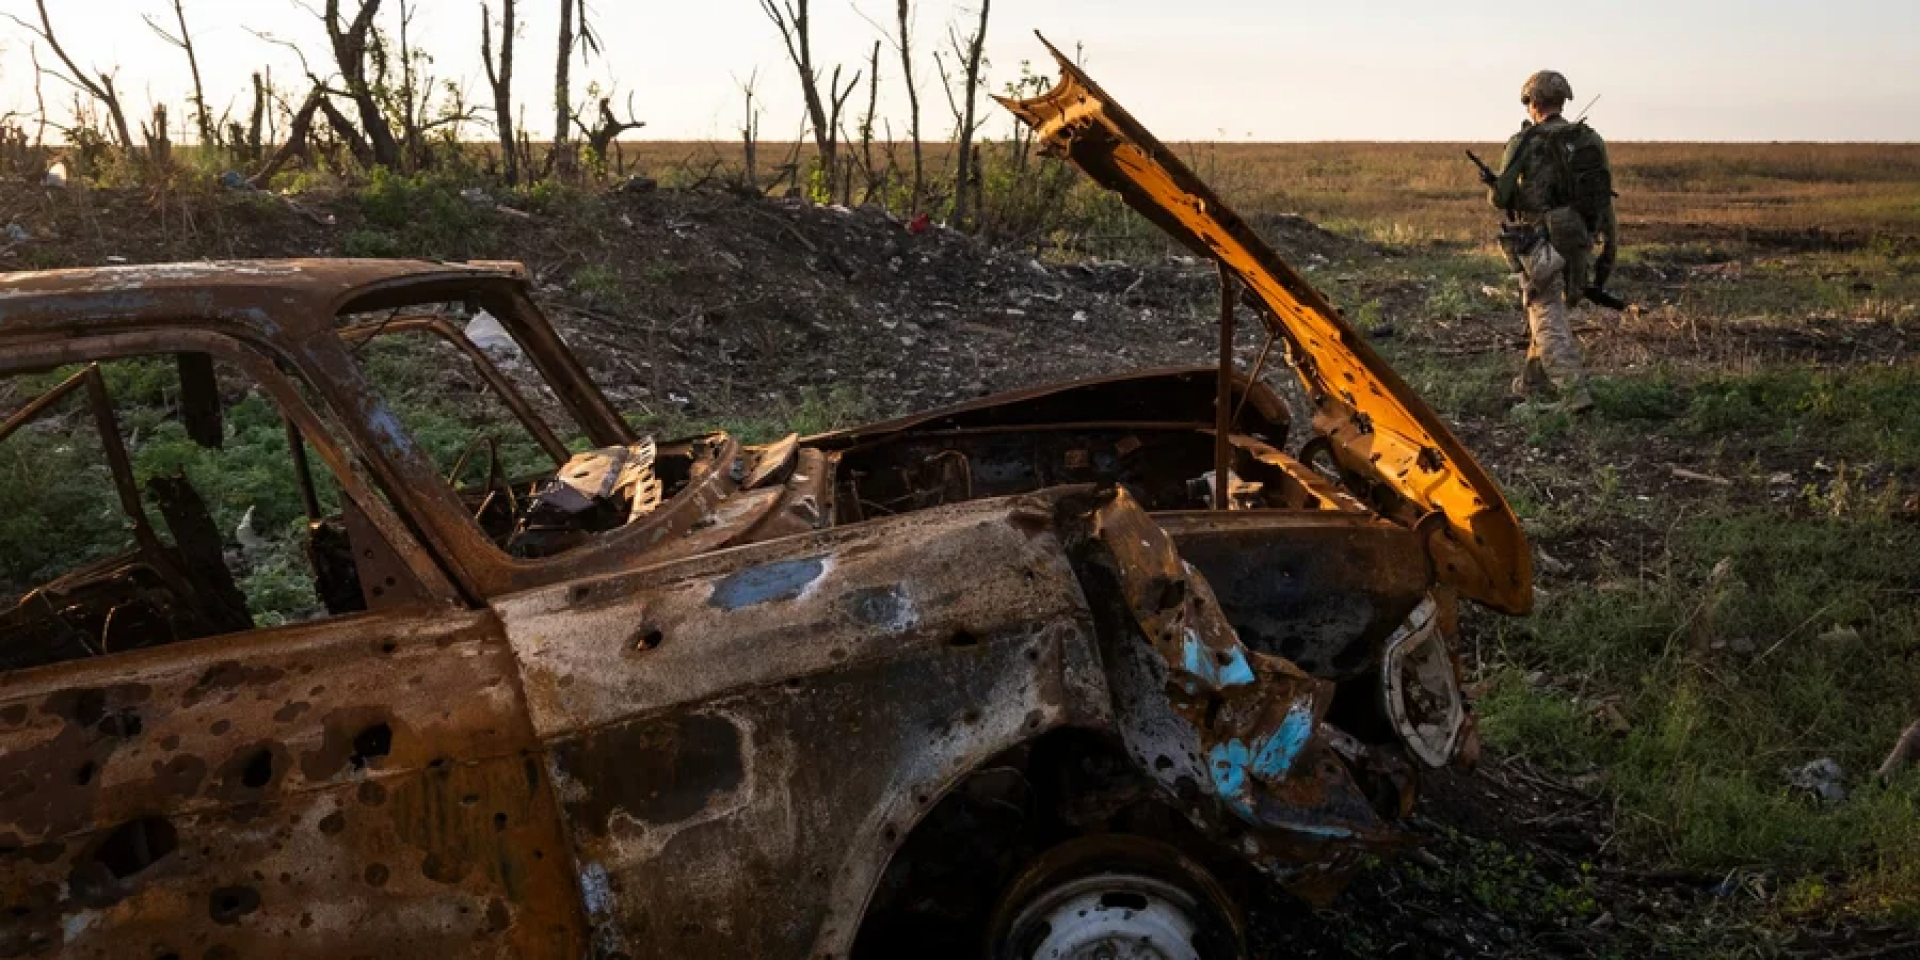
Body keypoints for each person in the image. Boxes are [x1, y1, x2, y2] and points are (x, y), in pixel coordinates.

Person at [1487, 70, 1618, 414]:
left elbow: (1500, 199)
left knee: (1545, 312)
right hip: (1579, 235)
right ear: (1563, 100)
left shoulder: (1525, 141)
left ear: (1532, 102)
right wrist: (1607, 253)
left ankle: (1575, 395)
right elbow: (1604, 197)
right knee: (1549, 309)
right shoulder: (1590, 140)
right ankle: (1531, 384)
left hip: (1540, 237)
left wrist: (1496, 186)